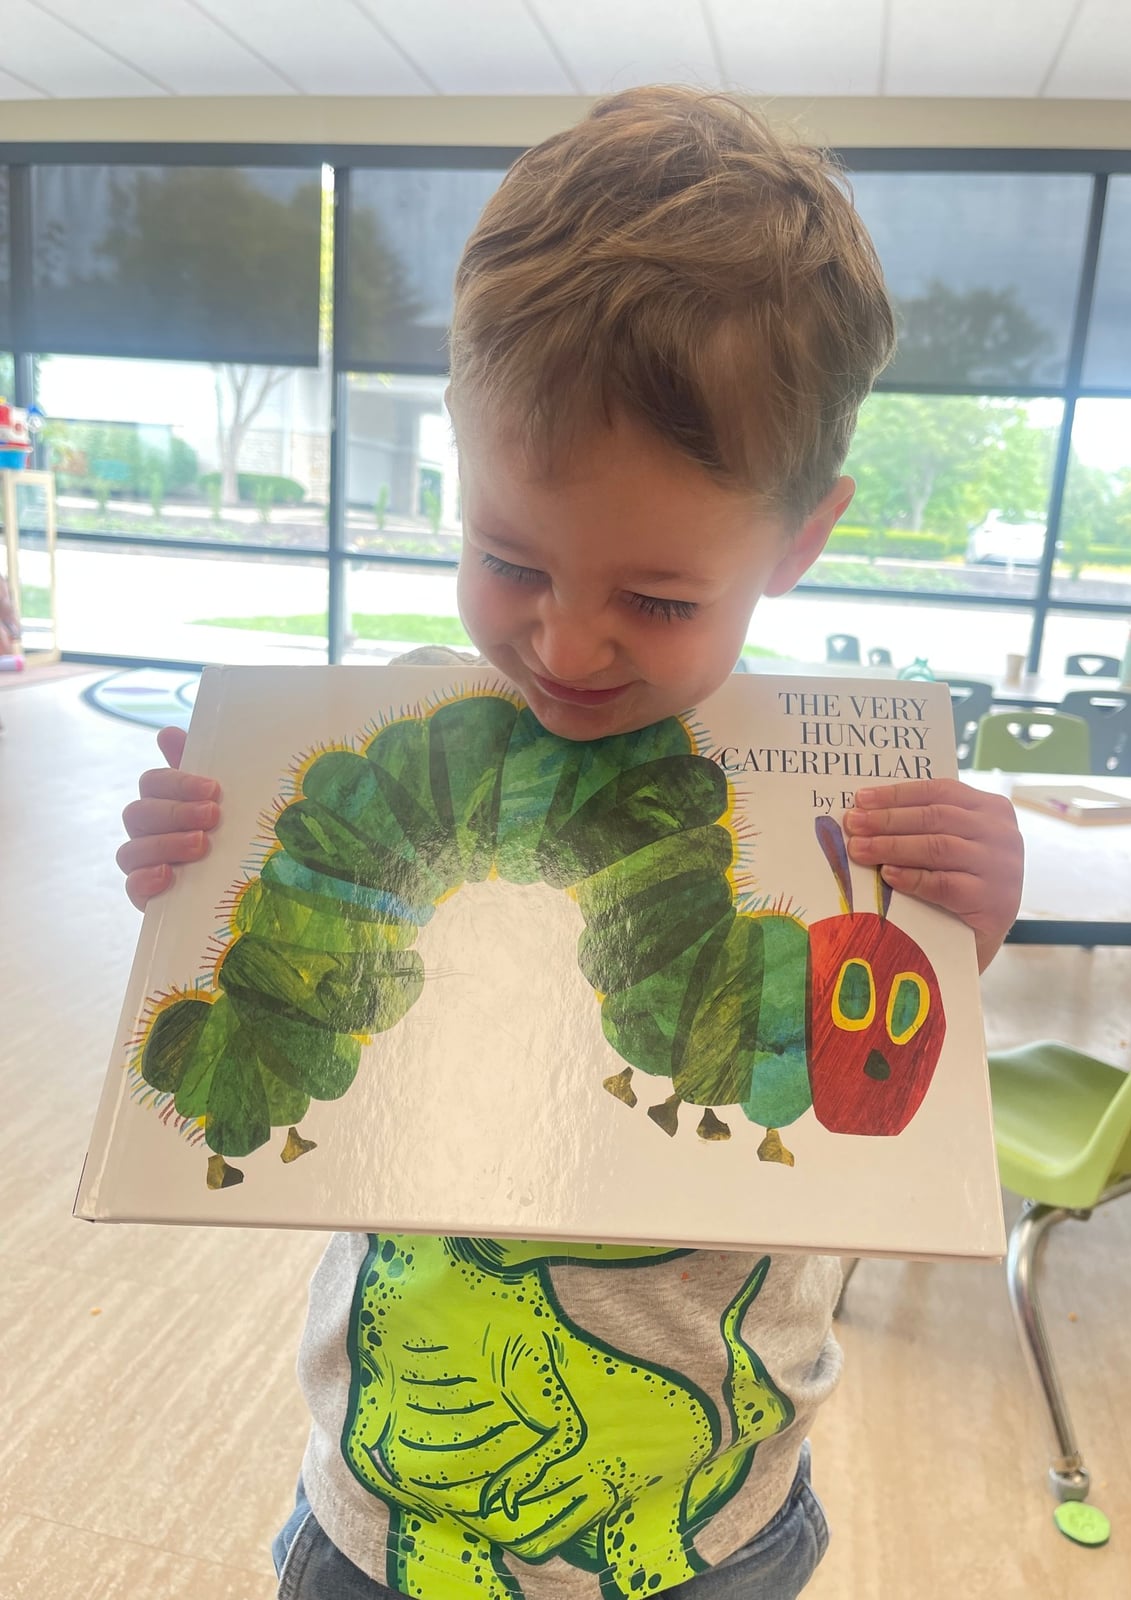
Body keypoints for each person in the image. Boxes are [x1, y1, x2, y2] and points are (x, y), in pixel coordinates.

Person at [116, 87, 1023, 1600]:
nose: (570, 642)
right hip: (380, 1513)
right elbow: (256, 959)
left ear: (798, 542)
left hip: (718, 1523)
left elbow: (881, 1049)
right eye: (507, 558)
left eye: (660, 600)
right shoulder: (381, 742)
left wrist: (959, 924)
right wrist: (183, 871)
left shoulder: (847, 814)